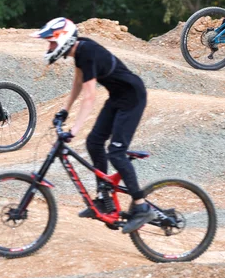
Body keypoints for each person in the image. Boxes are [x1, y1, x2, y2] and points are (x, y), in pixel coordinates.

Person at [30, 17, 156, 234]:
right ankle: (103, 199)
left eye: (51, 42)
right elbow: (78, 83)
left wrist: (74, 130)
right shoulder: (80, 51)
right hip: (118, 98)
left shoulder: (85, 52)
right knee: (94, 143)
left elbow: (89, 97)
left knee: (116, 152)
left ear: (63, 39)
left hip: (132, 98)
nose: (49, 47)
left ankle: (141, 205)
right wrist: (64, 111)